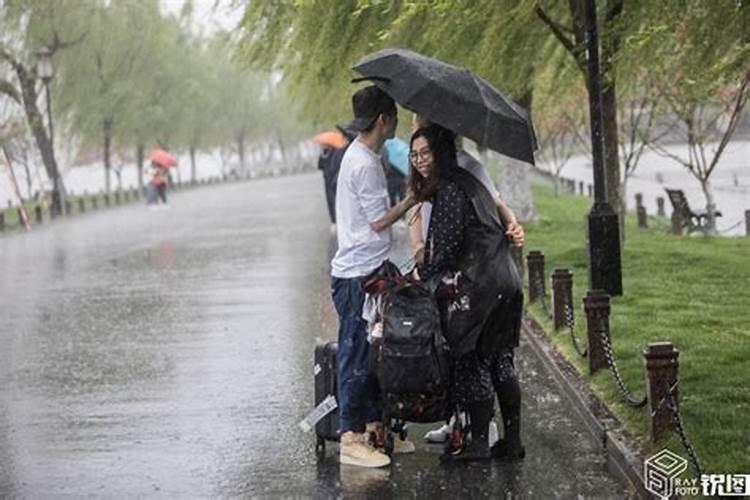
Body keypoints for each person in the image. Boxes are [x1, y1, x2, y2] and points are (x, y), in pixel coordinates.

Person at [409, 123, 524, 462]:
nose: (418, 160)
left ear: (441, 149)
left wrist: (422, 277)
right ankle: (512, 442)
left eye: (425, 152)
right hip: (505, 280)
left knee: (472, 360)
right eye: (414, 154)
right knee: (501, 359)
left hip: (478, 288)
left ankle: (477, 444)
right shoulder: (472, 181)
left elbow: (444, 249)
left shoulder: (449, 189)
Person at [331, 85, 418, 468]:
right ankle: (350, 437)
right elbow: (378, 221)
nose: (397, 122)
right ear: (383, 120)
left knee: (373, 352)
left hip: (369, 270)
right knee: (356, 353)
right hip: (356, 276)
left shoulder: (365, 156)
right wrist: (413, 199)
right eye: (394, 116)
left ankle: (374, 429)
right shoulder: (364, 163)